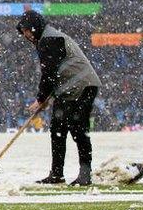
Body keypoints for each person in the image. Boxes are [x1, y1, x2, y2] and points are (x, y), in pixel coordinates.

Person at [17, 10, 101, 186]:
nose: (26, 35)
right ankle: (56, 174)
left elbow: (49, 73)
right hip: (68, 88)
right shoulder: (45, 39)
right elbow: (53, 74)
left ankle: (85, 174)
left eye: (27, 30)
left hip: (83, 85)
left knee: (78, 129)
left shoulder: (50, 39)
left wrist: (41, 99)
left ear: (35, 26)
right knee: (57, 129)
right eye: (24, 32)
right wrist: (47, 96)